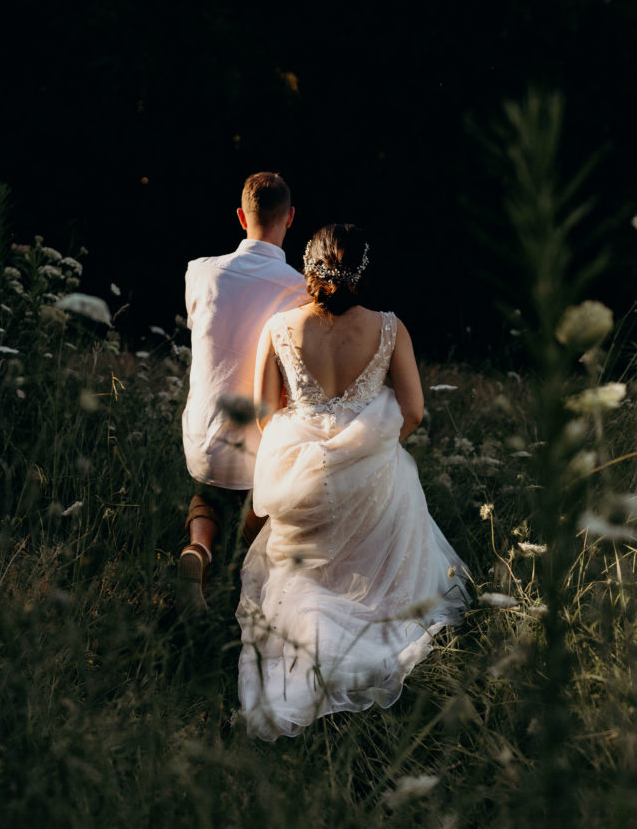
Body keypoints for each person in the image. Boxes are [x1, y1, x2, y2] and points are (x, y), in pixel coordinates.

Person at [236, 223, 470, 740]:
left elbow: (261, 414)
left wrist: (307, 448)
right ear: (362, 270)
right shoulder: (390, 328)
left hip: (301, 475)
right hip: (374, 477)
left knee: (307, 576)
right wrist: (372, 448)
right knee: (376, 582)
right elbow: (412, 409)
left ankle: (311, 653)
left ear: (309, 265)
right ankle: (361, 652)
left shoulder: (278, 328)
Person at [179, 172, 308, 609]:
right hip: (261, 445)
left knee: (208, 494)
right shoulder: (301, 288)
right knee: (264, 496)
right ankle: (242, 562)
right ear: (289, 218)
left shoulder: (199, 272)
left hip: (203, 438)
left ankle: (199, 547)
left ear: (241, 217)